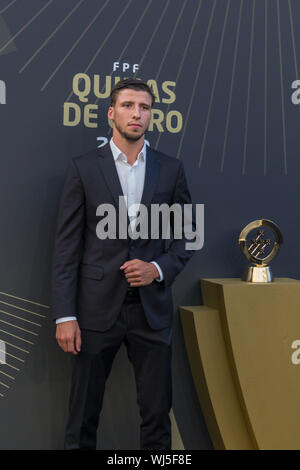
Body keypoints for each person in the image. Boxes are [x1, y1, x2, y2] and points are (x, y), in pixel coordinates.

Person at [51, 78, 196, 450]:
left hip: (151, 312)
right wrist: (65, 315)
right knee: (82, 418)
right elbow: (67, 246)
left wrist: (158, 268)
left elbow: (188, 235)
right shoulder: (82, 168)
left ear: (151, 115)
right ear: (111, 113)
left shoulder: (171, 168)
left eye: (145, 107)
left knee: (156, 418)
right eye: (129, 105)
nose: (137, 114)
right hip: (95, 311)